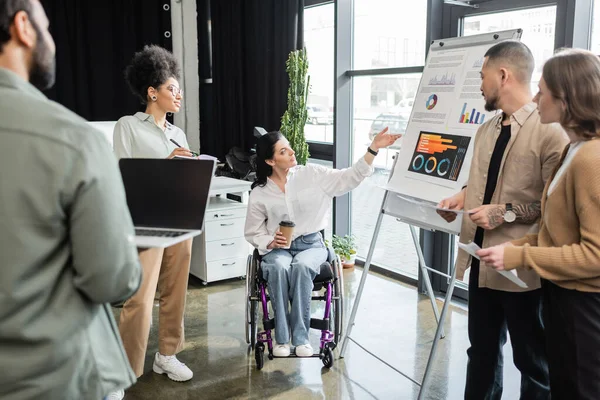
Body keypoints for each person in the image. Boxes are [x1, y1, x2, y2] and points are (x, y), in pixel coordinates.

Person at [0, 1, 142, 399]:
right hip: (60, 378)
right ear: (23, 27)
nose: (53, 43)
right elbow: (113, 279)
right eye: (47, 27)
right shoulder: (72, 140)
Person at [437, 41, 568, 399]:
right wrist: (460, 198)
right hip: (481, 260)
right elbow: (482, 179)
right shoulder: (486, 129)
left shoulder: (551, 132)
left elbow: (555, 207)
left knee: (532, 362)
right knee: (480, 353)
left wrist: (503, 212)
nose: (480, 84)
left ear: (503, 75)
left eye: (482, 76)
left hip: (523, 270)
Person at [479, 48, 600, 400]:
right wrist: (511, 248)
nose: (535, 96)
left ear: (566, 99)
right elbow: (556, 235)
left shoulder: (591, 159)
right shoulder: (573, 150)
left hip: (583, 309)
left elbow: (594, 255)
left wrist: (520, 257)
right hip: (562, 300)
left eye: (543, 91)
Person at [245, 128, 401, 357]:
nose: (291, 153)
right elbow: (252, 231)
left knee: (302, 266)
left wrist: (373, 148)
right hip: (278, 248)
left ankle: (300, 338)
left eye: (289, 147)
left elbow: (350, 177)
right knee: (278, 268)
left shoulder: (312, 175)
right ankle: (281, 339)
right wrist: (270, 241)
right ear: (270, 160)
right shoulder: (260, 193)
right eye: (283, 151)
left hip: (310, 245)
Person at [109, 45, 194, 400]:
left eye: (179, 89)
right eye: (172, 88)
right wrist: (166, 161)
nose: (179, 94)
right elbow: (123, 176)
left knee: (175, 294)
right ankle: (121, 374)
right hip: (144, 222)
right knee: (140, 299)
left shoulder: (178, 134)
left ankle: (167, 355)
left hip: (179, 219)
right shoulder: (128, 126)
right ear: (152, 92)